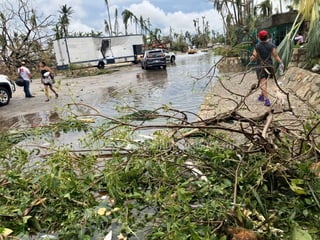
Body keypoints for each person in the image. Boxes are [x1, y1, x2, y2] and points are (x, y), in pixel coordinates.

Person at [250, 30, 284, 107]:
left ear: (259, 38)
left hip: (260, 66)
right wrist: (281, 63)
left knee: (262, 83)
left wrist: (252, 58)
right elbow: (276, 56)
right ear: (267, 37)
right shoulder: (271, 45)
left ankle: (267, 100)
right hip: (269, 66)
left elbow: (254, 56)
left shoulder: (257, 46)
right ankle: (262, 96)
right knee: (264, 82)